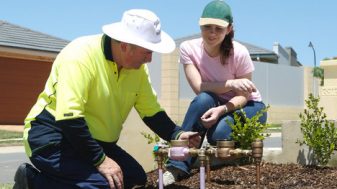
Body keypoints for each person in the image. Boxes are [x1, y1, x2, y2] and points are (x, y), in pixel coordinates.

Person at [13, 9, 200, 189]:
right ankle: (32, 182)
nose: (150, 59)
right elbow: (69, 118)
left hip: (92, 140)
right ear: (125, 46)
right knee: (103, 184)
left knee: (134, 178)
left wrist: (177, 134)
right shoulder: (80, 55)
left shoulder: (137, 71)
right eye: (147, 52)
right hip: (52, 135)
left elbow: (151, 111)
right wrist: (100, 160)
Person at [162, 0, 267, 186]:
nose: (212, 33)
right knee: (202, 100)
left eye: (218, 28)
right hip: (214, 100)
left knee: (218, 134)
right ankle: (177, 165)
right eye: (207, 27)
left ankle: (228, 156)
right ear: (200, 25)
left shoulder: (239, 53)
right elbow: (199, 87)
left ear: (229, 29)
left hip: (248, 106)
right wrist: (231, 83)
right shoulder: (188, 48)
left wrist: (221, 110)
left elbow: (244, 95)